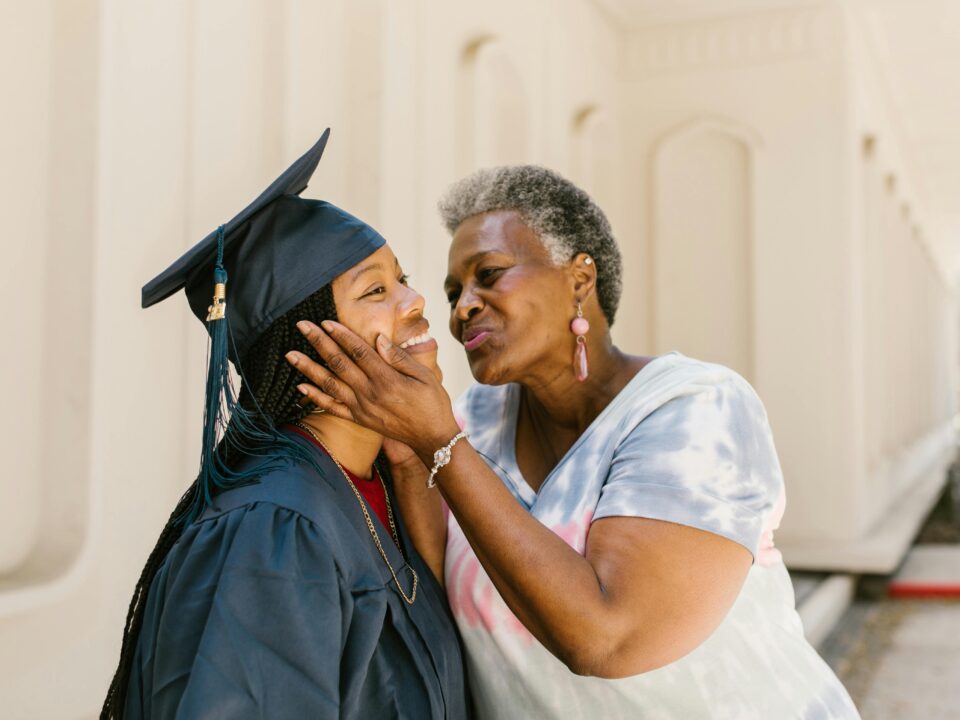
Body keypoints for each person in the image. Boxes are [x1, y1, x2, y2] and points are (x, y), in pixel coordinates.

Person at [286, 165, 861, 718]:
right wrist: (407, 449)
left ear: (580, 279)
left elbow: (606, 639)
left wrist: (437, 440)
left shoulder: (695, 408)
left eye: (489, 274)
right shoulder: (472, 421)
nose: (462, 308)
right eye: (454, 291)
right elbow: (446, 582)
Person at [101, 131, 469, 720]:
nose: (416, 300)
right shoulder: (273, 530)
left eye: (403, 278)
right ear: (307, 345)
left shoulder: (376, 482)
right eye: (376, 290)